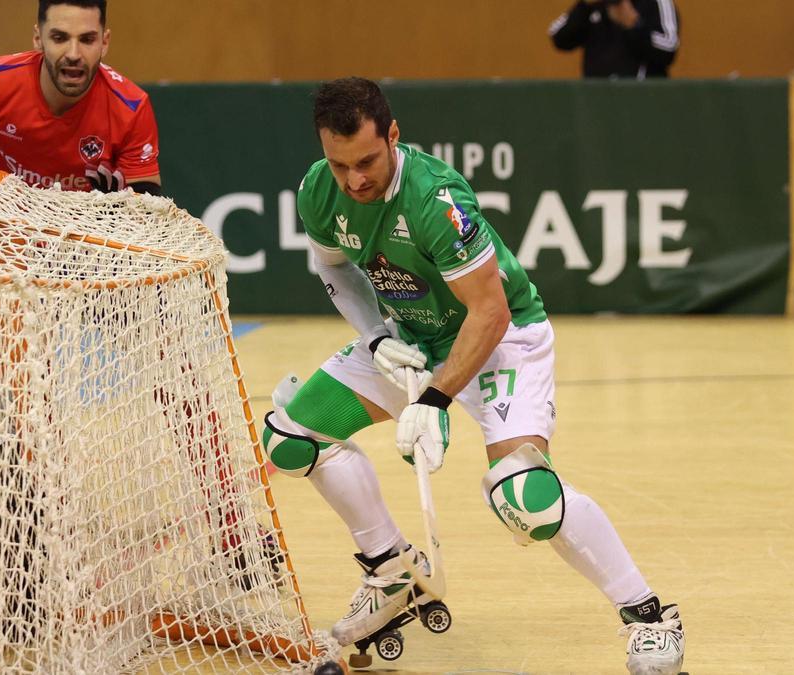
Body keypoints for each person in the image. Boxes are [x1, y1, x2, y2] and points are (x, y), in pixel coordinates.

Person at [262, 77, 685, 675]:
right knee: (291, 436)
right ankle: (394, 573)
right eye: (339, 165)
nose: (355, 180)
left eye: (367, 161)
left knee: (524, 499)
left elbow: (490, 312)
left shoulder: (437, 200)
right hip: (411, 337)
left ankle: (649, 617)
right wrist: (376, 337)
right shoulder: (317, 190)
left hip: (499, 341)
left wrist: (434, 400)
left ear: (394, 137)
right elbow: (333, 268)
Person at [0, 0, 161, 194]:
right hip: (9, 249)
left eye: (87, 39)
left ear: (104, 43)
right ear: (38, 38)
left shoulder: (132, 108)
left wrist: (115, 214)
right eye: (59, 38)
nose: (73, 53)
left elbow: (146, 215)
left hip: (89, 254)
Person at [549, 0, 680, 78]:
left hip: (641, 101)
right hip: (597, 104)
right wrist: (584, 6)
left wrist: (634, 25)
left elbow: (668, 49)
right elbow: (559, 37)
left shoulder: (656, 3)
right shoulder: (593, 6)